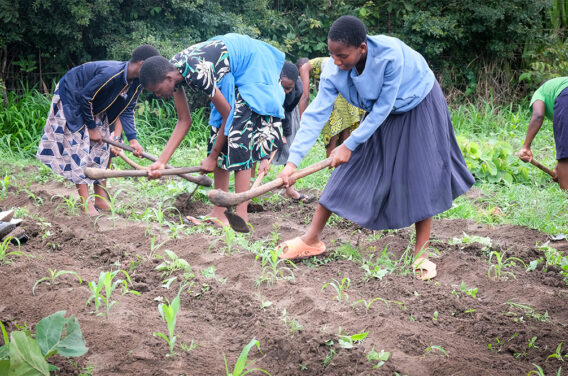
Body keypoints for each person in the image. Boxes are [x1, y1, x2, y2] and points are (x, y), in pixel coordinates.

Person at [276, 16, 475, 280]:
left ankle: (421, 254)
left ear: (362, 48)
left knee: (419, 175)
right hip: (379, 112)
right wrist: (292, 163)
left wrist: (348, 143)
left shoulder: (390, 56)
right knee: (347, 169)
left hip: (418, 101)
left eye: (343, 55)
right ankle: (312, 238)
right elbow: (315, 114)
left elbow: (383, 107)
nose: (336, 61)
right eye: (331, 54)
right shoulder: (333, 70)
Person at [139, 33, 285, 226]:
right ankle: (219, 213)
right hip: (227, 67)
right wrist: (161, 161)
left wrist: (213, 157)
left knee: (239, 136)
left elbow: (229, 114)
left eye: (157, 90)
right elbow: (184, 120)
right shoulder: (173, 71)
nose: (158, 95)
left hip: (252, 62)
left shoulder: (197, 71)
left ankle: (241, 217)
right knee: (217, 130)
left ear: (167, 77)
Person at [37, 45, 160, 215]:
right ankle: (86, 202)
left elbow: (127, 109)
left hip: (95, 105)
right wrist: (92, 128)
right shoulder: (111, 73)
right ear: (142, 64)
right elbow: (85, 97)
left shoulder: (137, 83)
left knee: (103, 148)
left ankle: (100, 199)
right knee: (80, 145)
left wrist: (133, 139)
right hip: (73, 95)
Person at [297, 56, 365, 157]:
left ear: (300, 67)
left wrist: (301, 124)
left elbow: (305, 96)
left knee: (331, 134)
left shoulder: (305, 67)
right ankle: (342, 169)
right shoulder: (323, 61)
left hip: (339, 95)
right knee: (345, 134)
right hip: (350, 94)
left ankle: (332, 168)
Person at [271, 62, 315, 203]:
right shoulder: (272, 84)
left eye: (289, 88)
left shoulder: (296, 92)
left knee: (290, 149)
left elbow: (286, 112)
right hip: (268, 109)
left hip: (288, 113)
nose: (286, 91)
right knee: (256, 149)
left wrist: (283, 133)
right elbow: (276, 107)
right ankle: (249, 191)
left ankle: (290, 191)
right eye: (283, 87)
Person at [518, 77, 568, 189]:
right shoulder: (558, 86)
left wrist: (526, 146)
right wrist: (559, 167)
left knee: (564, 156)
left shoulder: (540, 92)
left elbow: (538, 115)